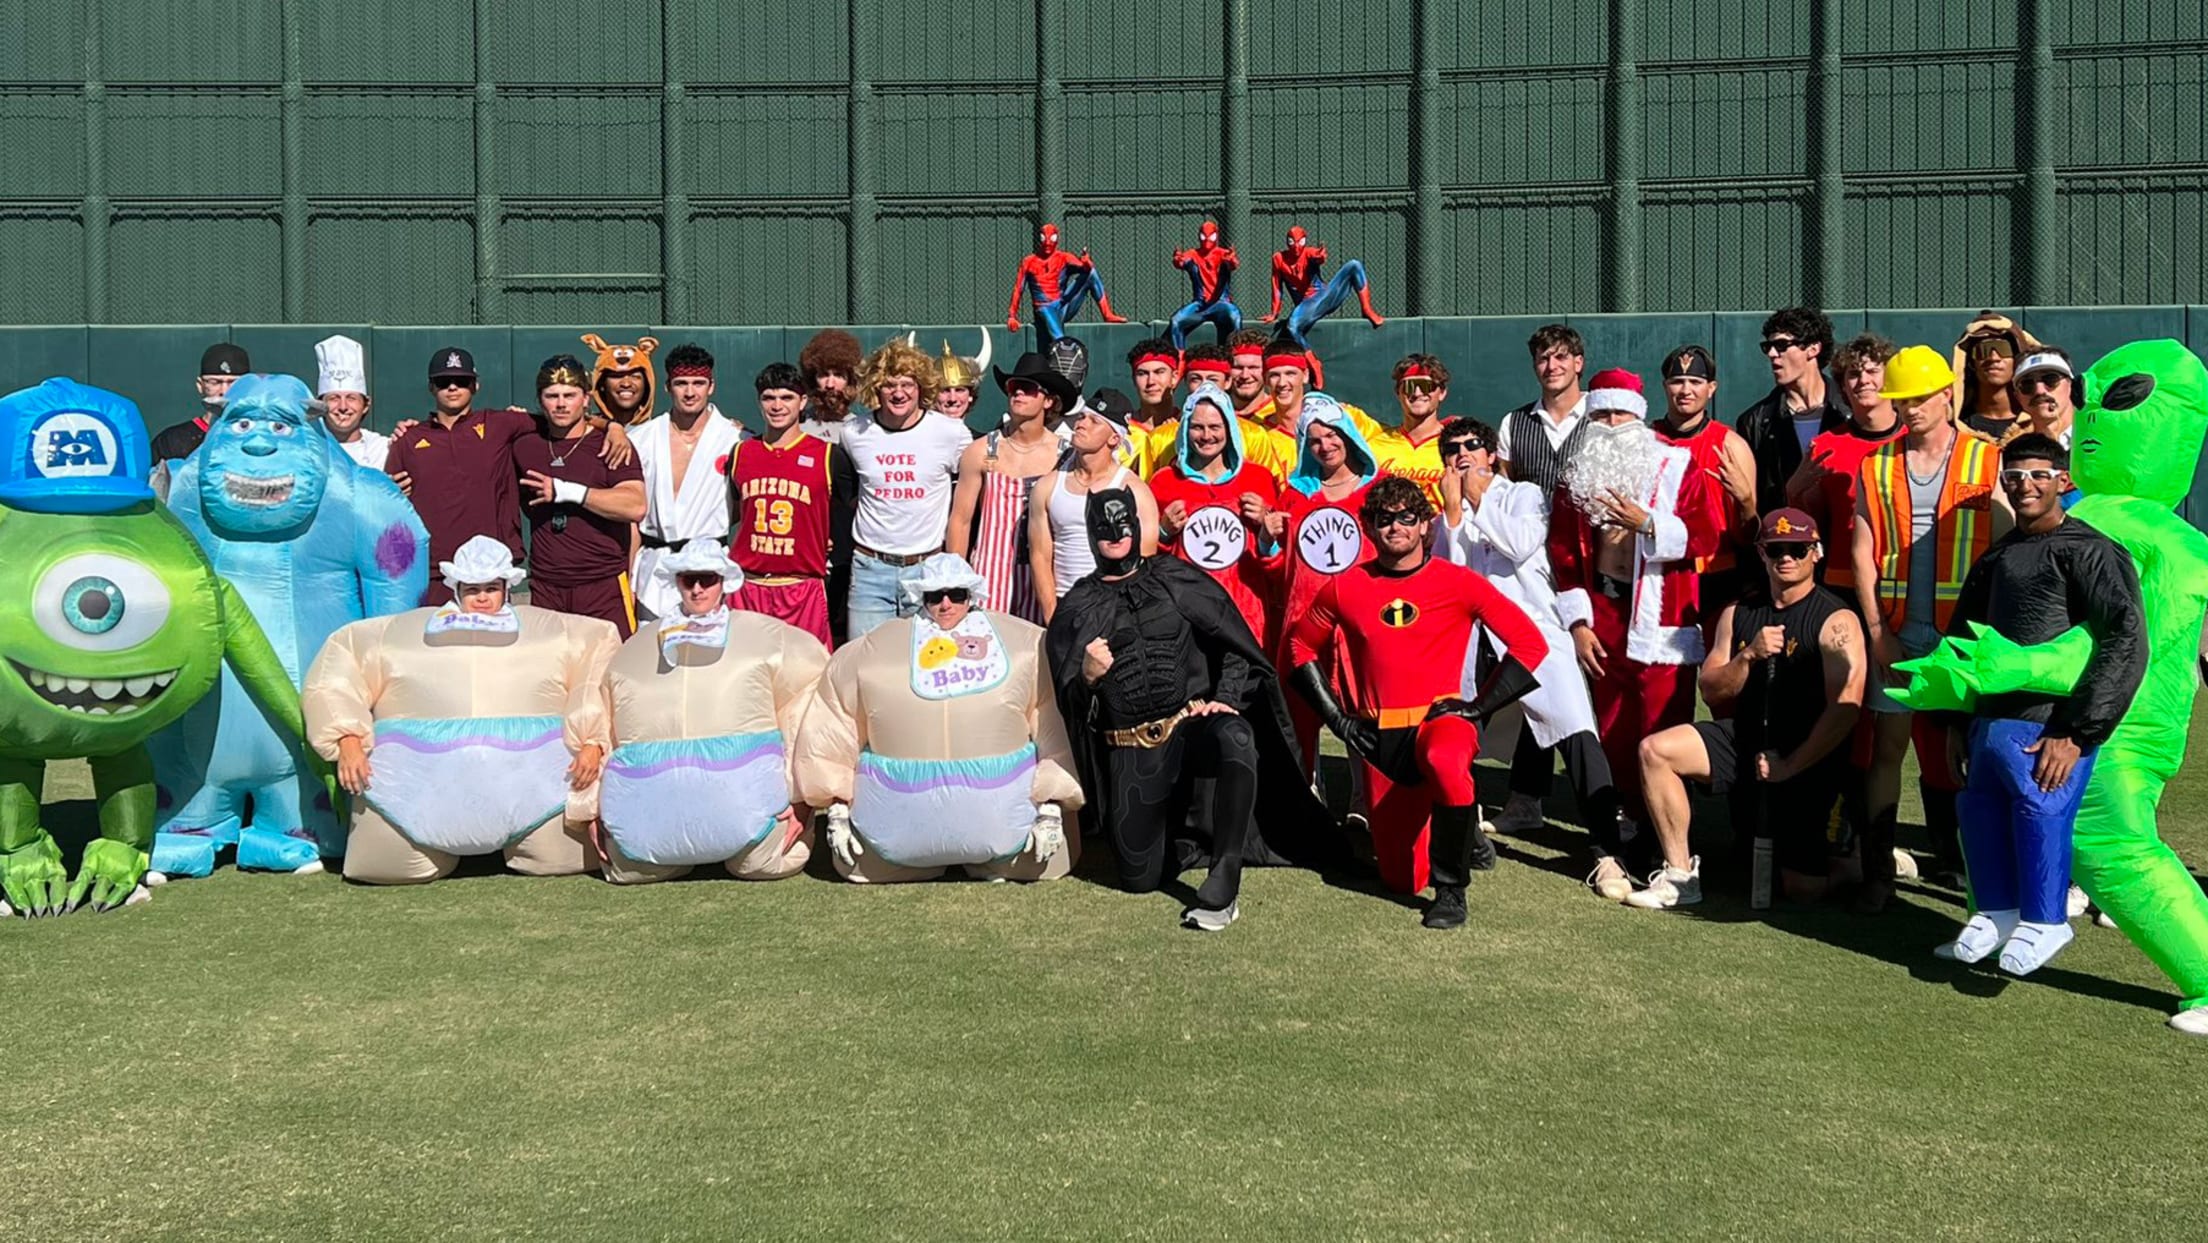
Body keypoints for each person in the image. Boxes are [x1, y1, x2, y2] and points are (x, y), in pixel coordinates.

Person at [1899, 434, 2146, 972]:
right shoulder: (1999, 554)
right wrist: (1954, 720)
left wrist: (2077, 730)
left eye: (2038, 475)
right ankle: (1997, 912)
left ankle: (2045, 920)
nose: (2025, 486)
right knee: (1979, 809)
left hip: (2049, 725)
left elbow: (2125, 640)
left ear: (2063, 480)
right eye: (2014, 477)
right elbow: (1964, 639)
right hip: (1991, 722)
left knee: (2040, 807)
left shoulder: (2091, 550)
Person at [1048, 489, 1334, 930]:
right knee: (1138, 878)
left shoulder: (1174, 577)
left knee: (1235, 734)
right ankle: (1190, 843)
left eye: (1122, 524)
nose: (1115, 535)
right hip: (1131, 747)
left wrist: (1228, 697)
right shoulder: (1078, 606)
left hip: (1191, 727)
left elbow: (1237, 643)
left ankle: (1225, 872)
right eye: (1103, 528)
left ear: (1137, 524)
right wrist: (1086, 676)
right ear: (1090, 533)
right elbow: (1068, 707)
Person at [1289, 477, 1547, 926]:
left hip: (1441, 721)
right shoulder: (1343, 588)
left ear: (1426, 525)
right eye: (1384, 518)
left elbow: (1529, 643)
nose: (1396, 528)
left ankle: (1452, 890)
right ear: (1368, 527)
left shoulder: (1459, 583)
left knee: (1447, 761)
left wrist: (1477, 708)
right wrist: (1337, 720)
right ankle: (1466, 834)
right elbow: (1298, 647)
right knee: (1401, 879)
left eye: (1407, 517)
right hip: (1378, 736)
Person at [303, 536, 621, 885]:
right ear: (456, 588)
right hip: (413, 792)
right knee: (387, 864)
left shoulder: (551, 634)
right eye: (472, 589)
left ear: (507, 587)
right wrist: (347, 737)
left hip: (536, 789)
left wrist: (592, 741)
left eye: (491, 588)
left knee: (555, 857)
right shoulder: (401, 635)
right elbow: (339, 668)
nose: (482, 598)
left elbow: (597, 656)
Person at [2063, 339, 2208, 1035]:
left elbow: (2128, 636)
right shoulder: (2090, 513)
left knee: (2111, 844)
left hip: (2118, 719)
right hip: (2089, 713)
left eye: (2117, 398)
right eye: (2087, 398)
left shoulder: (2164, 538)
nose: (2093, 417)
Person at [1630, 508, 1866, 909]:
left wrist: (1790, 765)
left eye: (1797, 549)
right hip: (1745, 737)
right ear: (1761, 554)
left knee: (1800, 890)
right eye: (1776, 550)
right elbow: (1712, 690)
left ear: (1817, 553)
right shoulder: (1738, 613)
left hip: (1808, 753)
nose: (1786, 558)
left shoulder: (1836, 619)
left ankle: (1862, 858)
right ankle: (1680, 874)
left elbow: (1845, 710)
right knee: (1656, 750)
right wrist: (1749, 656)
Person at [797, 554, 1083, 883]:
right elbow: (834, 724)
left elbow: (1052, 724)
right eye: (935, 596)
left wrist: (1051, 805)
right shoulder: (872, 652)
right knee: (863, 864)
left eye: (956, 594)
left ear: (971, 595)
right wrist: (835, 805)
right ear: (922, 596)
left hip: (1006, 831)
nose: (946, 604)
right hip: (897, 833)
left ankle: (995, 855)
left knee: (1045, 861)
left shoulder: (1026, 646)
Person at [1430, 418, 1619, 896]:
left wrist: (1474, 500)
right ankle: (1463, 834)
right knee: (1454, 731)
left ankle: (1606, 851)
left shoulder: (1524, 495)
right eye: (1451, 449)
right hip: (1474, 639)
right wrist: (1452, 517)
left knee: (1575, 731)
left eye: (1472, 445)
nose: (1461, 455)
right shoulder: (1444, 515)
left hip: (1535, 634)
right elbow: (1447, 578)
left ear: (1492, 453)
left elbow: (1518, 545)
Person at [1851, 344, 2011, 906]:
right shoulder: (1876, 464)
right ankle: (1876, 872)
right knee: (1886, 750)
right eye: (1901, 399)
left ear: (1947, 394)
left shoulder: (1987, 460)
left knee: (1971, 757)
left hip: (1966, 637)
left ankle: (1980, 878)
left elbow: (2007, 545)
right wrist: (1876, 633)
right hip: (1897, 630)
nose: (1910, 408)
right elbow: (1863, 546)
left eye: (1920, 397)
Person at [597, 540, 828, 884]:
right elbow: (598, 724)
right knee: (630, 864)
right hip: (655, 822)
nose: (698, 588)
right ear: (676, 582)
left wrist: (803, 799)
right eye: (688, 579)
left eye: (707, 579)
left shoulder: (770, 638)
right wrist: (591, 806)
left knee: (762, 863)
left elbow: (810, 710)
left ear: (724, 581)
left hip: (750, 817)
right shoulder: (637, 649)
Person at [1547, 369, 1716, 833]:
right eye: (1601, 413)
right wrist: (1579, 624)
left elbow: (1707, 535)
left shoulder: (1679, 467)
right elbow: (1563, 552)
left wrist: (1651, 524)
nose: (1610, 423)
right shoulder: (1577, 478)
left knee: (1663, 722)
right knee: (1613, 722)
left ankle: (1668, 824)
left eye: (1620, 412)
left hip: (1660, 617)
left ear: (1638, 416)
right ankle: (1625, 817)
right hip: (1602, 611)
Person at [387, 345, 593, 607]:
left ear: (475, 386)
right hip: (434, 571)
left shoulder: (501, 424)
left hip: (492, 569)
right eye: (443, 381)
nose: (452, 387)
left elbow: (564, 418)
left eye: (461, 381)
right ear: (431, 387)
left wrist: (611, 427)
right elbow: (389, 506)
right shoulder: (408, 440)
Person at [1262, 400, 1382, 771]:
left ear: (1348, 435)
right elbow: (1280, 569)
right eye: (1314, 440)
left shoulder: (1376, 490)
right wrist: (1267, 542)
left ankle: (1366, 800)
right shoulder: (1296, 496)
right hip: (1306, 624)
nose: (1325, 445)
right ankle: (1305, 797)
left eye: (1332, 435)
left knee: (1366, 710)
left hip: (1361, 623)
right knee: (1301, 712)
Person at [834, 337, 974, 638]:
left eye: (907, 384)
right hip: (870, 568)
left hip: (928, 569)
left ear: (921, 387)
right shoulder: (854, 433)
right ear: (876, 389)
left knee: (927, 661)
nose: (899, 393)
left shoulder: (951, 433)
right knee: (866, 662)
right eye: (889, 385)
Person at [513, 354, 648, 636]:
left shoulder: (611, 444)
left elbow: (635, 506)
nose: (561, 404)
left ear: (586, 398)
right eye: (552, 396)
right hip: (546, 586)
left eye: (570, 395)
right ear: (540, 400)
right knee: (550, 674)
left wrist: (567, 492)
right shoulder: (526, 444)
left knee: (610, 670)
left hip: (602, 585)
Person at [1148, 384, 1280, 648]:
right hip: (1187, 618)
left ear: (1229, 428)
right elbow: (1149, 557)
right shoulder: (1164, 482)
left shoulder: (1258, 478)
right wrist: (1163, 532)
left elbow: (1278, 555)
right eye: (1197, 427)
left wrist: (1267, 524)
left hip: (1247, 618)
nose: (1206, 435)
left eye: (1215, 427)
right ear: (1185, 430)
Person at [945, 350, 1065, 624]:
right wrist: (954, 580)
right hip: (990, 573)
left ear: (1048, 400)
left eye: (1028, 388)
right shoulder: (981, 450)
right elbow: (961, 520)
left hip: (1045, 573)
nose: (1018, 394)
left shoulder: (1064, 454)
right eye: (1014, 387)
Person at [631, 344, 744, 621]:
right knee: (649, 656)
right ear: (668, 387)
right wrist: (629, 572)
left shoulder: (736, 440)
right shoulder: (641, 438)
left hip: (708, 571)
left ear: (711, 386)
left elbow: (748, 507)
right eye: (681, 383)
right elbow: (631, 515)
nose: (690, 392)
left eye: (698, 383)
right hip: (654, 569)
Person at [1028, 378, 1159, 616]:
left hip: (1115, 609)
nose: (1082, 424)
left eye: (1094, 421)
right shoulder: (1048, 486)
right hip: (1065, 606)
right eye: (1081, 417)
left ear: (1114, 439)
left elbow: (1145, 562)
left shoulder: (1133, 491)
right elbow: (1039, 556)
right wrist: (1052, 615)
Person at [1786, 333, 1902, 602]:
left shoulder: (1913, 438)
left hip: (1902, 579)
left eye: (1873, 371)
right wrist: (1794, 492)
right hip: (1841, 584)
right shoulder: (1825, 447)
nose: (1864, 380)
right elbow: (1812, 525)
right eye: (1853, 374)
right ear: (1843, 387)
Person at [727, 362, 836, 646]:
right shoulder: (741, 451)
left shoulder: (826, 454)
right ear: (759, 401)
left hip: (801, 588)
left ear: (803, 401)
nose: (777, 406)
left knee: (807, 678)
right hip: (749, 585)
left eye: (786, 397)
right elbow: (733, 514)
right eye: (769, 397)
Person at [1650, 345, 1757, 623]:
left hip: (1717, 578)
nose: (1686, 390)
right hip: (1658, 576)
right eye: (1677, 381)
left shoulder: (1731, 445)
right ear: (1665, 386)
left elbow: (1748, 537)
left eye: (1695, 382)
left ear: (1711, 388)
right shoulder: (1645, 441)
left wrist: (1746, 501)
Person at [1733, 306, 1847, 519]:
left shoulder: (1847, 411)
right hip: (1786, 543)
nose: (1772, 354)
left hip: (1841, 539)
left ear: (1813, 349)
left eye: (1782, 345)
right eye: (1768, 346)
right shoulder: (1755, 422)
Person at [799, 328, 866, 643]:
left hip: (848, 548)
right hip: (802, 546)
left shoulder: (863, 431)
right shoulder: (796, 429)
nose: (830, 383)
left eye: (838, 375)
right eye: (823, 374)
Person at [1262, 225, 1385, 370]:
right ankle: (1313, 362)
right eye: (1292, 242)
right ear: (1287, 242)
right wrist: (1274, 312)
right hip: (1307, 306)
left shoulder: (1309, 253)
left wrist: (1320, 256)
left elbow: (1317, 256)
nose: (1296, 246)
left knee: (1354, 265)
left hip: (1325, 296)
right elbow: (1276, 285)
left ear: (1305, 241)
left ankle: (1366, 308)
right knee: (1292, 326)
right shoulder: (1278, 259)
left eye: (1300, 242)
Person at [1495, 323, 1588, 498]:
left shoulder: (1602, 418)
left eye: (1561, 357)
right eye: (1543, 359)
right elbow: (1504, 489)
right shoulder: (1513, 423)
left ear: (1578, 363)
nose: (1552, 366)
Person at [1258, 335, 1388, 446]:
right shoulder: (1258, 434)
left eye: (1290, 374)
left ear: (1305, 376)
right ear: (1265, 379)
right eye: (1274, 375)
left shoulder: (1343, 417)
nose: (1282, 383)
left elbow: (1389, 445)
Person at [1005, 222, 1127, 339]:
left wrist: (1087, 263)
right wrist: (1012, 316)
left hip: (1063, 306)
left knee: (1092, 273)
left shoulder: (1064, 258)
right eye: (1044, 238)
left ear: (1056, 239)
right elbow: (1018, 289)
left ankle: (1107, 314)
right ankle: (1061, 348)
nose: (1048, 242)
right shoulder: (1029, 262)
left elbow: (1086, 269)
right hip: (1044, 308)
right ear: (1040, 239)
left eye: (1052, 238)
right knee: (1059, 337)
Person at [1368, 353, 1452, 505]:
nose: (1417, 393)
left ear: (1442, 393)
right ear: (1398, 393)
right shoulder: (1374, 446)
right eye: (1409, 386)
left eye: (1427, 386)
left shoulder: (1456, 447)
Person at [150, 341, 249, 467]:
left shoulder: (260, 439)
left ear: (248, 386)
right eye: (215, 382)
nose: (224, 391)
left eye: (233, 382)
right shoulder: (171, 440)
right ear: (200, 385)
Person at [1951, 312, 2045, 441]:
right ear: (1971, 363)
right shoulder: (1953, 429)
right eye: (1982, 351)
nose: (1993, 358)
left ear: (2018, 359)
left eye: (2004, 349)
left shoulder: (2040, 423)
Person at [314, 334, 387, 471]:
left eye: (351, 398)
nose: (343, 407)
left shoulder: (383, 449)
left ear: (366, 405)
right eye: (334, 398)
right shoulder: (309, 447)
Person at [1167, 220, 1242, 350]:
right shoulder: (1192, 254)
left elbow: (1233, 264)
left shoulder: (1223, 253)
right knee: (1176, 321)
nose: (1207, 239)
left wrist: (1231, 261)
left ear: (1216, 236)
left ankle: (1238, 353)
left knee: (1235, 317)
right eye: (1203, 236)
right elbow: (1181, 262)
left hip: (1221, 303)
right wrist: (1177, 260)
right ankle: (1179, 358)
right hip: (1200, 304)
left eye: (1211, 236)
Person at [581, 333, 660, 426]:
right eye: (616, 376)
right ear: (601, 383)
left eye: (634, 376)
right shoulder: (585, 431)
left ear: (647, 383)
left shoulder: (660, 432)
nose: (626, 384)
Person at [2011, 347, 2079, 448]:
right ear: (2017, 397)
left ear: (2072, 385)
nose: (2039, 391)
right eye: (2027, 384)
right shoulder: (2013, 451)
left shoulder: (2099, 435)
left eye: (2050, 379)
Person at [931, 331, 992, 425]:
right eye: (944, 390)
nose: (952, 398)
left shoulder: (984, 439)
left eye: (959, 390)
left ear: (970, 395)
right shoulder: (918, 439)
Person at [1224, 330, 1276, 424]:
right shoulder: (1216, 411)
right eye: (1238, 368)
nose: (1245, 375)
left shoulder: (1279, 413)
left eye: (1253, 367)